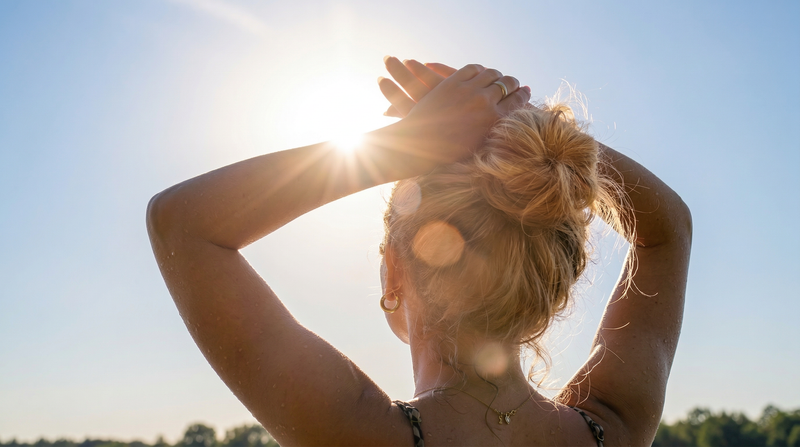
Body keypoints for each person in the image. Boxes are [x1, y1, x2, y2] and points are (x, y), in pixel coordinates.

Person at [147, 56, 691, 446]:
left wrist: (409, 142)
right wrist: (529, 130)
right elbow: (669, 232)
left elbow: (183, 224)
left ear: (393, 273)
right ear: (556, 281)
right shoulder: (612, 427)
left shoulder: (353, 430)